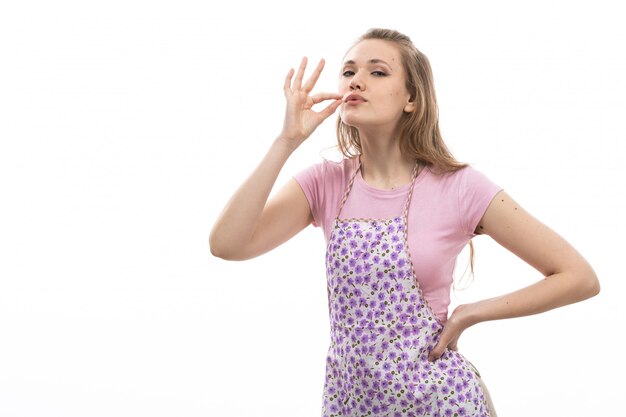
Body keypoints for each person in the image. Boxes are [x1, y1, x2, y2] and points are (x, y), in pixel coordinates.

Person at [209, 28, 600, 417]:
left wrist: (471, 313)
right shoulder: (325, 183)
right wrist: (286, 141)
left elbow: (577, 276)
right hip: (351, 406)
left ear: (411, 98)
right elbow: (227, 244)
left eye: (378, 72)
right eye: (348, 72)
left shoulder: (459, 187)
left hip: (443, 404)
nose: (356, 80)